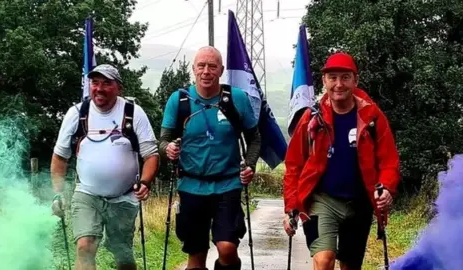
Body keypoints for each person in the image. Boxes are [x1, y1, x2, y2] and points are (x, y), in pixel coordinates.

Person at [282, 52, 401, 270]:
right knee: (324, 260)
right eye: (333, 77)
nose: (339, 84)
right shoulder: (311, 119)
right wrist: (291, 207)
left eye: (345, 78)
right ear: (324, 81)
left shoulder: (372, 117)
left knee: (350, 266)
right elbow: (294, 165)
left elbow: (389, 161)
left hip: (360, 202)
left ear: (355, 80)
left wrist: (386, 188)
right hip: (322, 200)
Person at [159, 46, 261, 270]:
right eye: (201, 66)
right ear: (194, 69)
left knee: (227, 249)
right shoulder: (179, 100)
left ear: (221, 70)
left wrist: (250, 165)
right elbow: (163, 140)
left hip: (228, 184)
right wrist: (169, 150)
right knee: (195, 258)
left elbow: (254, 138)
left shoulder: (237, 98)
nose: (206, 71)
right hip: (191, 185)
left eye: (212, 66)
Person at [50, 64, 159, 270]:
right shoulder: (76, 114)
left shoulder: (133, 113)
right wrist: (58, 194)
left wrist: (145, 181)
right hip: (86, 193)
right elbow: (59, 157)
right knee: (84, 246)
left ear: (119, 88)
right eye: (95, 83)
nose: (99, 88)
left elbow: (151, 155)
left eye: (106, 83)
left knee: (122, 253)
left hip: (125, 196)